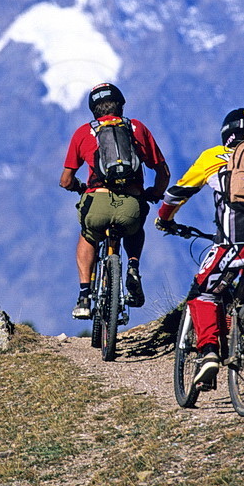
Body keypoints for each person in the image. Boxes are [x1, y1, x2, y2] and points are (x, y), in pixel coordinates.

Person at [155, 108, 244, 387]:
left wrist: (164, 219)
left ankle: (208, 352)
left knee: (203, 292)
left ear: (226, 134)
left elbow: (177, 193)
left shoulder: (213, 157)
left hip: (232, 246)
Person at [60, 82, 170, 319]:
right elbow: (164, 172)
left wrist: (80, 187)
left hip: (97, 202)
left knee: (88, 234)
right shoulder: (136, 128)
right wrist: (154, 193)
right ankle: (132, 266)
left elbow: (66, 180)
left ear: (93, 109)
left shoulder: (83, 132)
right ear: (120, 105)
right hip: (130, 204)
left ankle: (84, 296)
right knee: (135, 227)